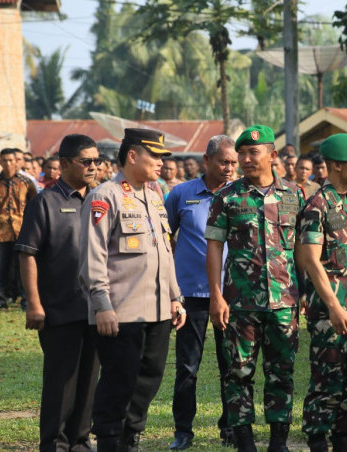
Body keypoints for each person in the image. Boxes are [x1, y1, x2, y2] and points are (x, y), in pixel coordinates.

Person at [78, 128, 186, 452]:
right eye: (155, 156)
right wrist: (101, 304)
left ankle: (131, 437)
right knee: (119, 381)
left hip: (157, 310)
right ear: (133, 156)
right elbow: (91, 256)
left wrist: (175, 297)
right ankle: (110, 439)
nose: (162, 163)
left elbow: (164, 252)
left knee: (149, 378)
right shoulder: (104, 196)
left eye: (163, 157)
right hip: (120, 310)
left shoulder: (154, 197)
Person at [205, 125, 305, 452]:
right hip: (240, 303)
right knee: (238, 374)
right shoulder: (228, 197)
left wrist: (305, 294)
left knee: (282, 373)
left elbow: (304, 249)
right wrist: (217, 296)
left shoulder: (295, 195)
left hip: (285, 301)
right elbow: (214, 248)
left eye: (253, 153)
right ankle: (245, 444)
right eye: (242, 154)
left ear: (272, 156)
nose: (246, 160)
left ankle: (279, 443)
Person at [16, 134, 101, 452]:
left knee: (89, 379)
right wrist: (34, 304)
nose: (93, 166)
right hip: (58, 308)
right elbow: (27, 254)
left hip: (95, 308)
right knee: (61, 380)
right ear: (64, 164)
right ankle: (54, 443)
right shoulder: (45, 202)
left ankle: (79, 440)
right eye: (86, 161)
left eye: (97, 161)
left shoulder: (100, 200)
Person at [295, 133, 347, 452]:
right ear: (338, 166)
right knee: (328, 377)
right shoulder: (318, 205)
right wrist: (335, 307)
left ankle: (344, 437)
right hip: (331, 310)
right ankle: (317, 437)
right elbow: (309, 260)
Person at [165, 136, 237, 450]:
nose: (229, 168)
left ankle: (231, 427)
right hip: (191, 294)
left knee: (232, 364)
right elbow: (163, 237)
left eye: (234, 163)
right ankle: (183, 430)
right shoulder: (181, 194)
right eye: (224, 162)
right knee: (187, 366)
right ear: (207, 161)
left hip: (231, 294)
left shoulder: (241, 195)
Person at [0, 148, 37, 309]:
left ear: (17, 161)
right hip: (0, 232)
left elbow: (34, 205)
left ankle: (26, 300)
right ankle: (0, 300)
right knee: (0, 268)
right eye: (4, 160)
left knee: (23, 268)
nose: (8, 163)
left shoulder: (26, 182)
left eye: (11, 160)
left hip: (22, 230)